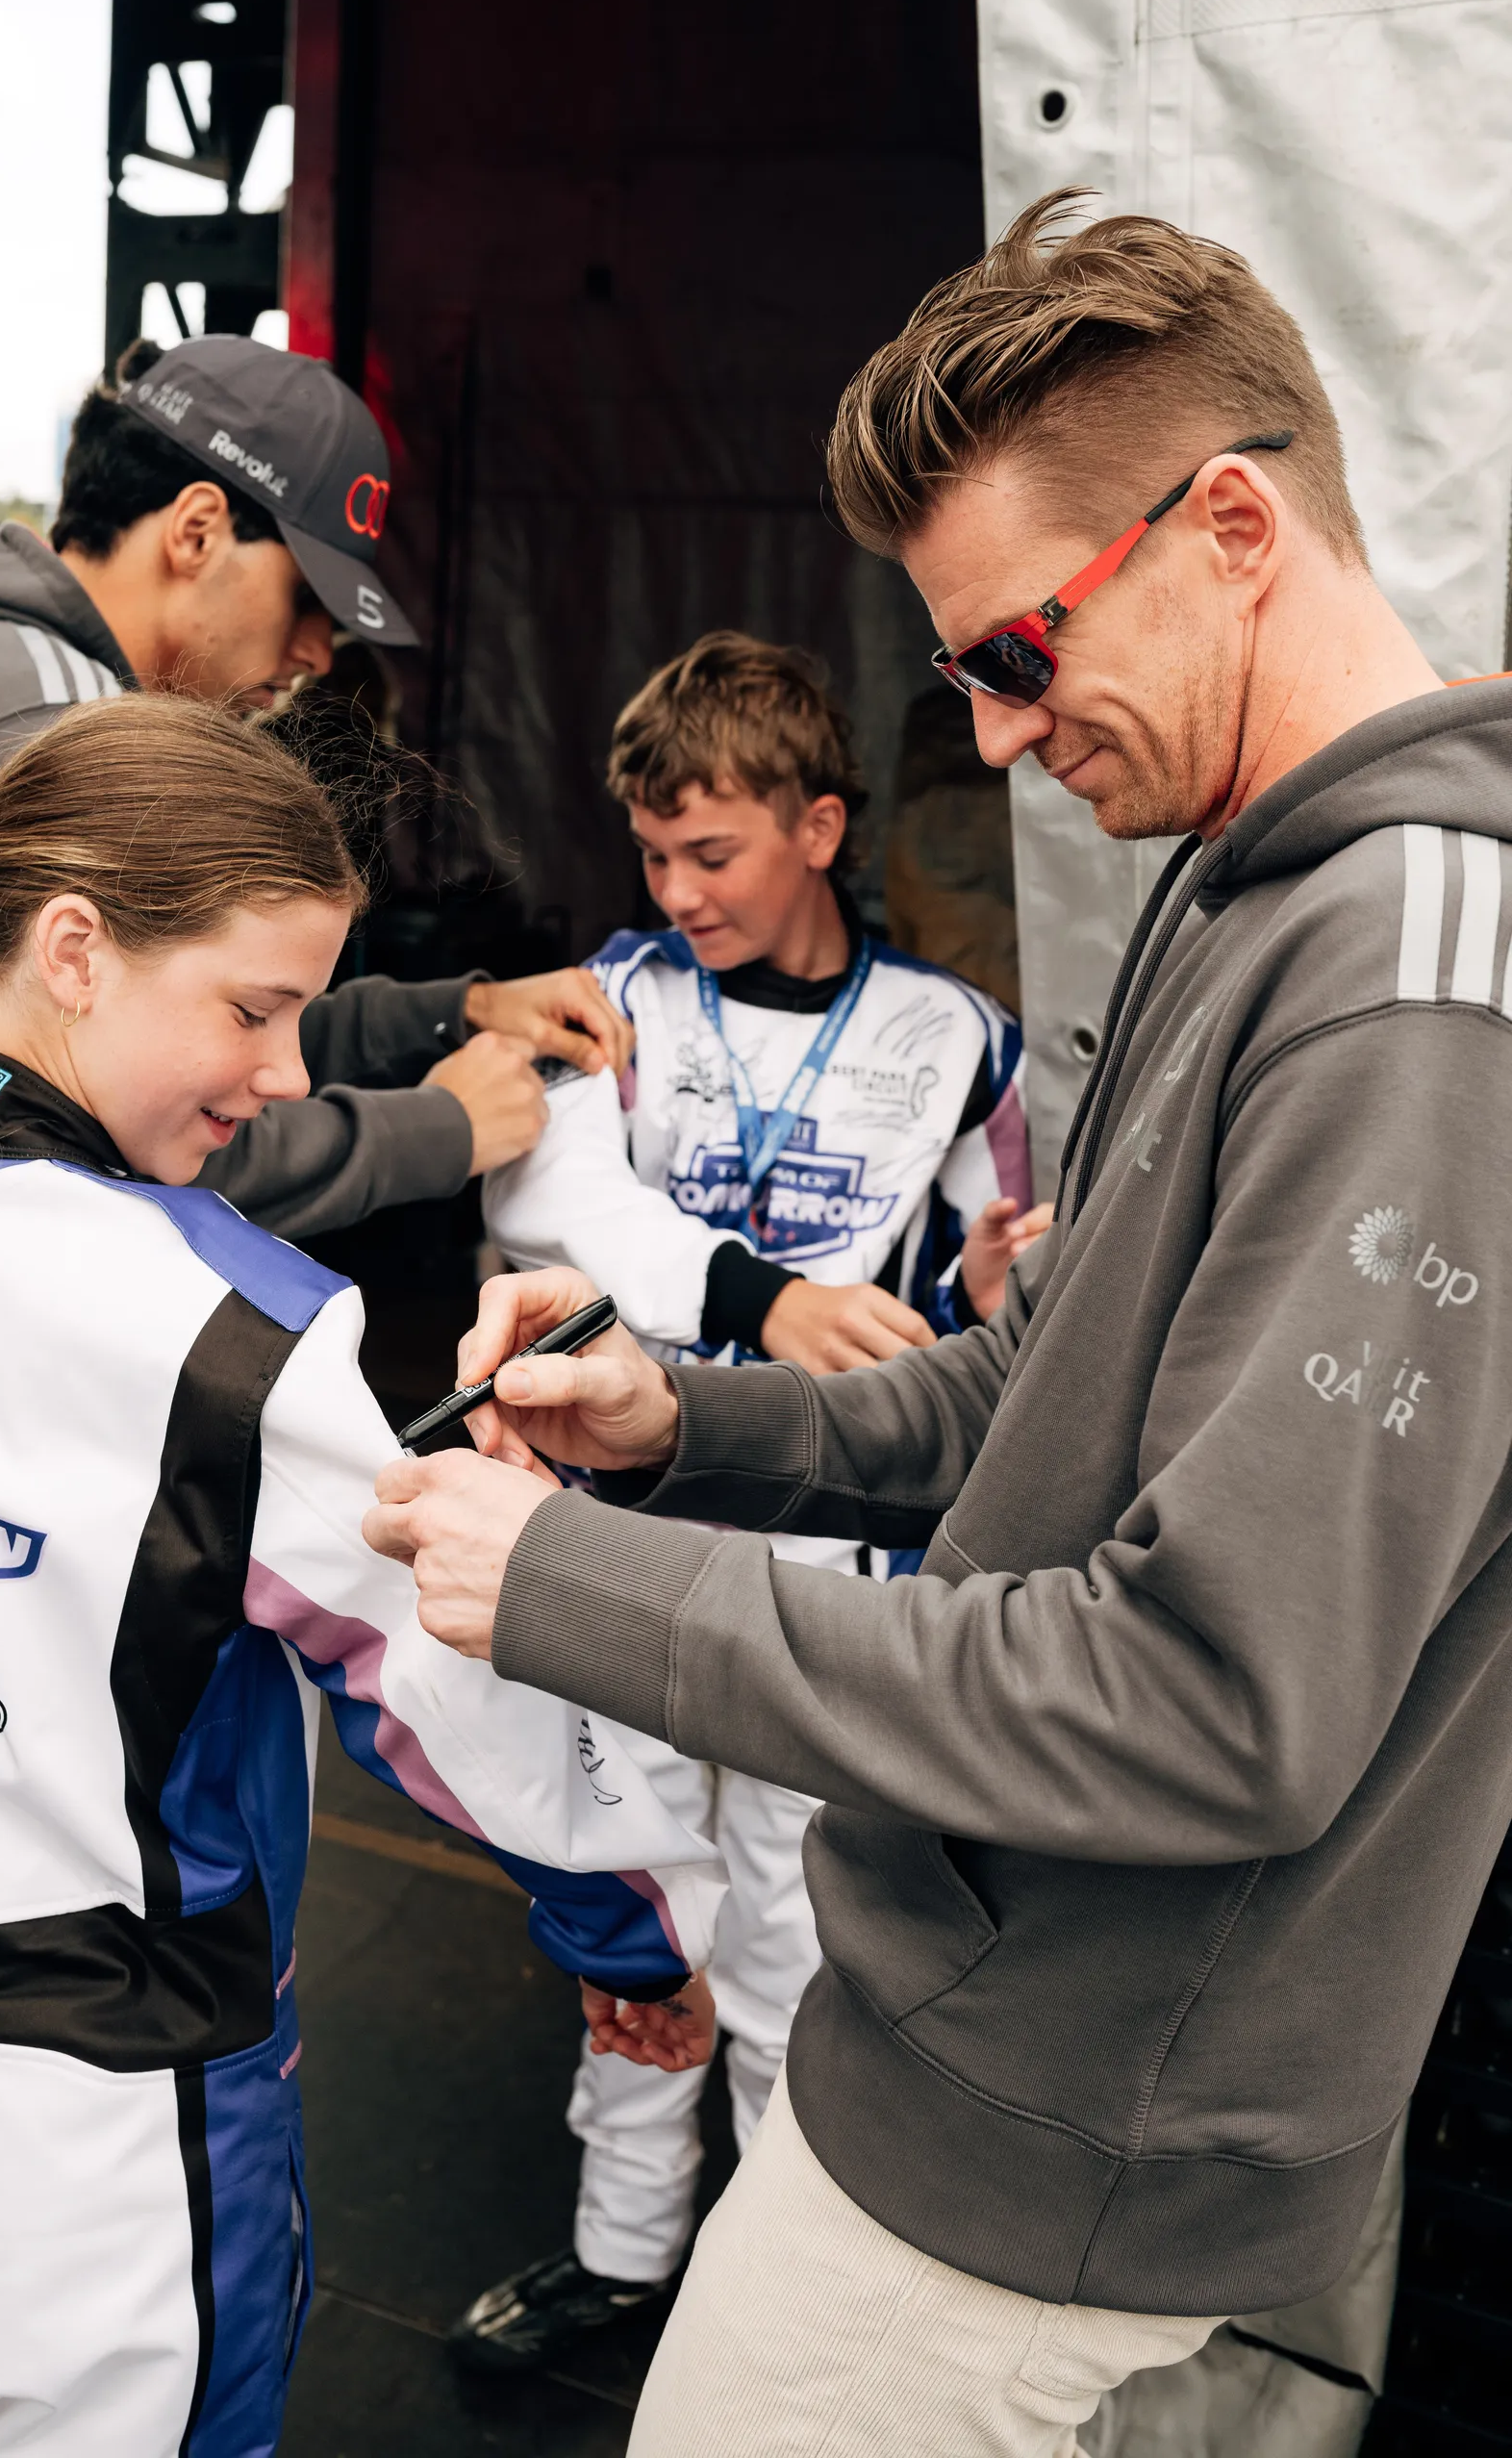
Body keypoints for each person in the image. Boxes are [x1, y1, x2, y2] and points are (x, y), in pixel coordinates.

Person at [364, 192, 1512, 2456]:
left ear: (1232, 527)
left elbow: (1215, 1703)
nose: (987, 741)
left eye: (1010, 653)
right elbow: (1028, 1391)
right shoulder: (1254, 877)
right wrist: (668, 1423)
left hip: (1055, 2136)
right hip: (996, 2062)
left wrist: (584, 1589)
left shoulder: (1404, 989)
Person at [0, 336, 630, 2458]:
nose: (297, 673)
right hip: (108, 2133)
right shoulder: (225, 1316)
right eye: (301, 612)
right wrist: (624, 1930)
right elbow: (437, 1657)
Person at [455, 631, 1045, 2370]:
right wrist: (755, 1297)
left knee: (798, 1939)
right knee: (637, 1919)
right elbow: (556, 1213)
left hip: (828, 1569)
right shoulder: (611, 1000)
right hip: (616, 1542)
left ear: (819, 826)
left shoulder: (962, 1037)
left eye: (709, 851)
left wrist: (1005, 1294)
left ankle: (767, 2303)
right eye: (651, 853)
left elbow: (989, 1307)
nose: (676, 888)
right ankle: (626, 2260)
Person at [0, 335, 629, 1226]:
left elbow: (191, 1028)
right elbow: (131, 1126)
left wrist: (449, 1014)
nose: (313, 651)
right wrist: (440, 1130)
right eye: (309, 598)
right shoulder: (39, 721)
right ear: (196, 531)